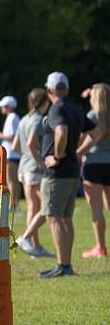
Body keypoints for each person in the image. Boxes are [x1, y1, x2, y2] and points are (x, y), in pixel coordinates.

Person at [37, 71, 102, 278]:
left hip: (57, 172)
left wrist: (57, 156)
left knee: (54, 217)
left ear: (49, 90)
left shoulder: (57, 108)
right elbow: (96, 132)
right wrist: (78, 152)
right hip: (73, 170)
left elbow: (61, 131)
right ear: (66, 88)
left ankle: (63, 265)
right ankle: (66, 265)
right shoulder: (74, 108)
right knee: (65, 217)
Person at [12, 88, 54, 258]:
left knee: (33, 206)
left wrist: (29, 157)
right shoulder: (40, 120)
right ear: (45, 102)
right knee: (45, 207)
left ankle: (35, 248)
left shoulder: (23, 119)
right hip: (35, 169)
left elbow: (16, 146)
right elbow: (30, 144)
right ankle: (28, 241)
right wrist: (40, 162)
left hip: (23, 168)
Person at [78, 82, 110, 258]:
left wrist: (77, 153)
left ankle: (100, 247)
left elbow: (81, 137)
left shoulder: (92, 116)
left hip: (93, 165)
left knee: (96, 208)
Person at [0, 95, 22, 211]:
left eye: (4, 106)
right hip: (11, 154)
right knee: (12, 180)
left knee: (11, 180)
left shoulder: (12, 117)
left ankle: (13, 205)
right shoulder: (12, 117)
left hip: (11, 154)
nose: (2, 108)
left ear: (9, 107)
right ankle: (14, 204)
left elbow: (13, 136)